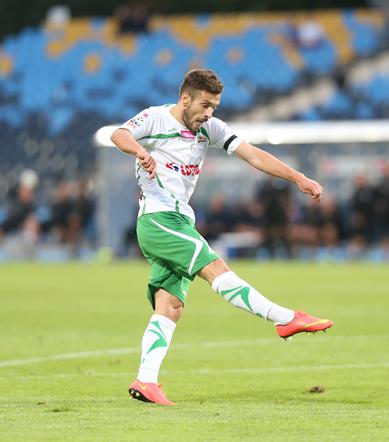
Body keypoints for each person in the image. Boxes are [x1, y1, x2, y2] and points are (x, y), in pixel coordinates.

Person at [110, 68, 333, 406]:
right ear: (185, 98)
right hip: (158, 219)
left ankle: (146, 380)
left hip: (179, 219)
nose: (209, 112)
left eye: (214, 106)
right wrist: (140, 153)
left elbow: (254, 154)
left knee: (170, 307)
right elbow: (120, 135)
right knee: (217, 268)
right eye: (204, 104)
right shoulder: (155, 118)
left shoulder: (210, 128)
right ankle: (285, 318)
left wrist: (296, 177)